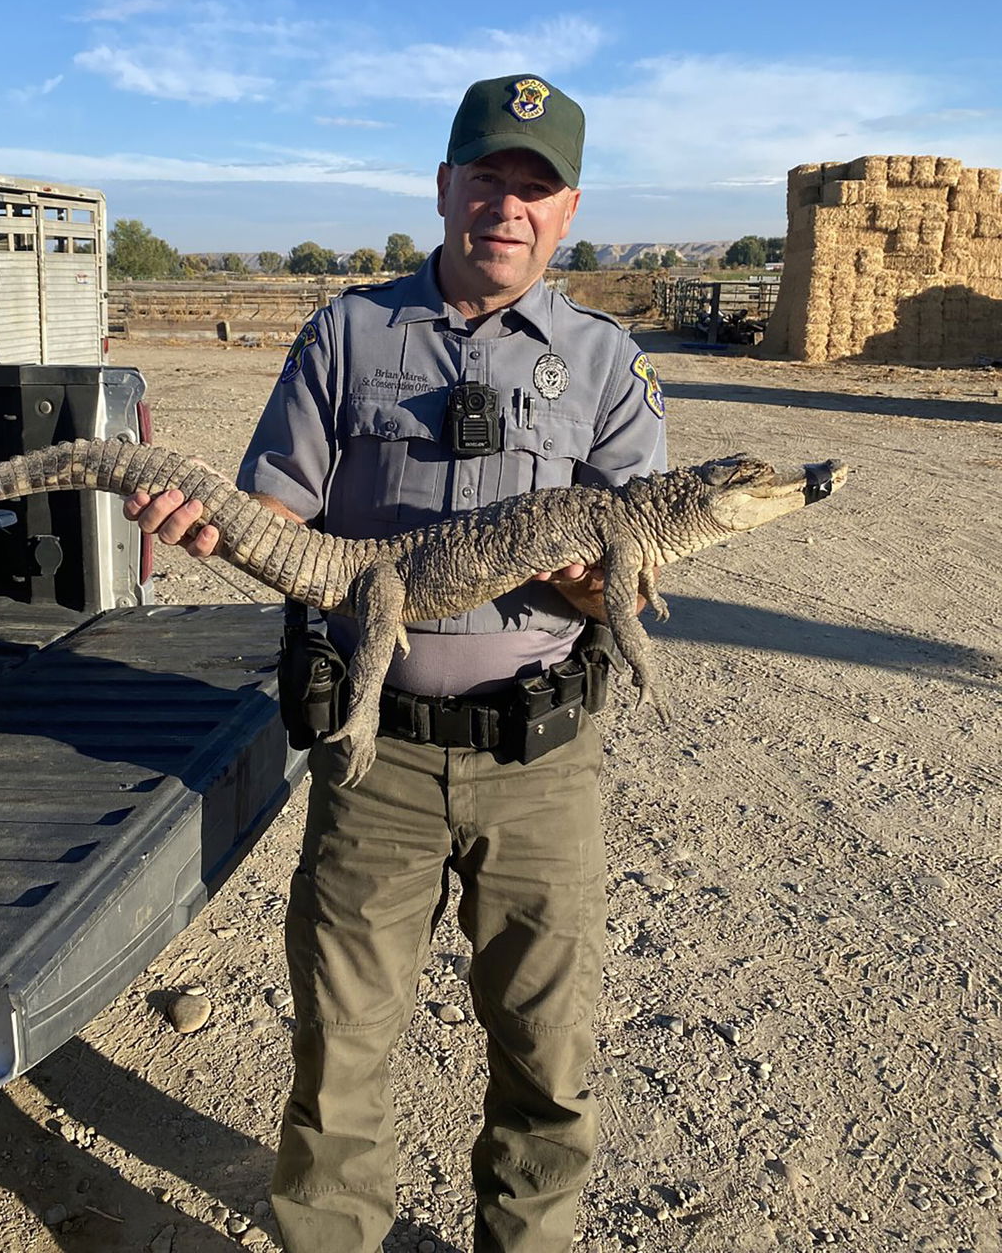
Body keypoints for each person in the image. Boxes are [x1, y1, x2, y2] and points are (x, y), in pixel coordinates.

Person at [126, 75, 668, 1253]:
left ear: (567, 210)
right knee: (341, 1055)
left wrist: (601, 588)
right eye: (488, 179)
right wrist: (221, 526)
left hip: (543, 765)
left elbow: (638, 550)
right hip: (376, 764)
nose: (506, 208)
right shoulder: (348, 331)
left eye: (534, 188)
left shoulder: (607, 361)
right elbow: (277, 512)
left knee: (548, 1052)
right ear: (444, 188)